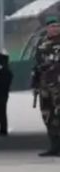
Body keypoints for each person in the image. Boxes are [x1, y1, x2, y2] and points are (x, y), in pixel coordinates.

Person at [32, 16, 60, 156]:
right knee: (47, 115)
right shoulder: (41, 44)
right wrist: (35, 84)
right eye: (52, 26)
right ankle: (54, 147)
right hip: (45, 86)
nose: (54, 29)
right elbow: (37, 65)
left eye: (57, 26)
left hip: (58, 84)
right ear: (47, 29)